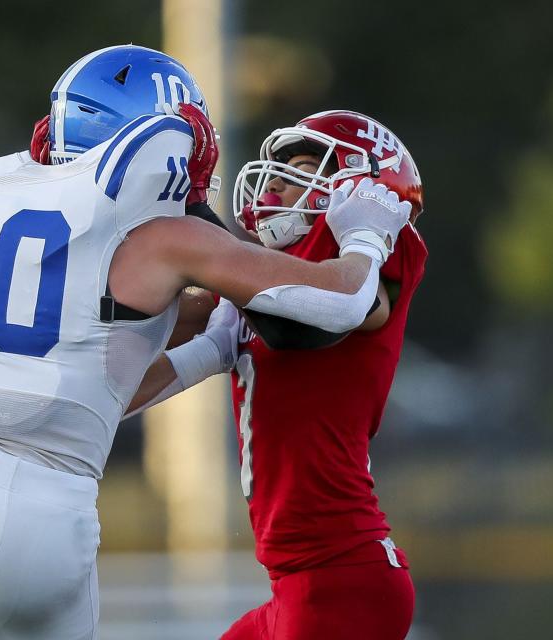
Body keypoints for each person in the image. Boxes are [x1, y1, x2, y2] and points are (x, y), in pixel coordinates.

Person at [0, 43, 413, 639]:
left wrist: (214, 342)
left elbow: (107, 388)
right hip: (46, 505)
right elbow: (339, 299)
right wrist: (365, 237)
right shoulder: (165, 239)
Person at [128, 110, 428, 640]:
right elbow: (194, 350)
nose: (281, 188)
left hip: (341, 578)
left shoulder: (367, 259)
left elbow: (343, 309)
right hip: (298, 586)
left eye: (305, 170)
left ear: (362, 188)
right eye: (281, 174)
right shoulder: (274, 292)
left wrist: (207, 233)